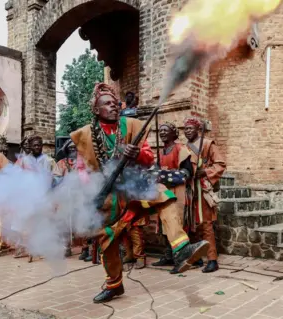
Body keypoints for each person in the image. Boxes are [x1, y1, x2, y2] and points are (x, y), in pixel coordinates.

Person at [70, 83, 208, 303]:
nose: (113, 107)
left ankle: (181, 248)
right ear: (96, 110)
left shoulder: (131, 125)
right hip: (106, 195)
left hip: (135, 186)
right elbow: (81, 168)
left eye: (115, 104)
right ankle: (114, 284)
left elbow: (147, 158)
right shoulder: (84, 134)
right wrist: (90, 192)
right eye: (107, 104)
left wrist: (135, 155)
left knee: (164, 196)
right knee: (108, 242)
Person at [150, 122, 195, 273]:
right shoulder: (161, 151)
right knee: (164, 224)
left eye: (165, 130)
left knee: (177, 222)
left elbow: (187, 172)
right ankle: (168, 255)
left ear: (174, 133)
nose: (162, 133)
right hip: (164, 191)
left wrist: (167, 175)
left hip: (178, 191)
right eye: (160, 131)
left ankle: (182, 259)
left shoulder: (180, 149)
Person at [184, 117, 226, 273]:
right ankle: (196, 258)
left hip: (203, 189)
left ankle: (212, 260)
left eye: (190, 128)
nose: (187, 131)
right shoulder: (184, 147)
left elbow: (220, 164)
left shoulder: (208, 144)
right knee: (192, 224)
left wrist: (205, 172)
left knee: (206, 224)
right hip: (190, 189)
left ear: (197, 129)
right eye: (185, 128)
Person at [13, 135, 58, 258]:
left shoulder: (49, 161)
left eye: (39, 145)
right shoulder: (23, 161)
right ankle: (23, 248)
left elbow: (57, 176)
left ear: (42, 146)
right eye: (35, 145)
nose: (37, 147)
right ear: (30, 147)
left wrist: (51, 181)